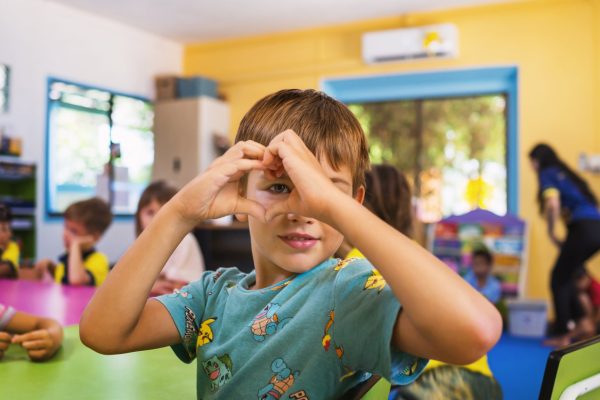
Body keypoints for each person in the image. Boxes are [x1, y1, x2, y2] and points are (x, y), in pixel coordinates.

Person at [80, 89, 501, 398]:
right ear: (239, 191)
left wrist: (338, 210)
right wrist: (178, 213)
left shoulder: (345, 293)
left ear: (350, 202)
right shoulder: (212, 295)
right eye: (280, 186)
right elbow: (103, 333)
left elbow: (475, 331)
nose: (303, 210)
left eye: (320, 191)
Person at [529, 143, 600, 343]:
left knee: (558, 277)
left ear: (538, 160)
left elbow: (552, 203)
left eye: (532, 162)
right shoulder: (568, 174)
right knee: (568, 275)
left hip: (583, 228)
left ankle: (563, 333)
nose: (532, 167)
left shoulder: (547, 173)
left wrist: (551, 232)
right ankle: (583, 324)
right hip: (595, 228)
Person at [136, 180, 205, 295]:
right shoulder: (142, 245)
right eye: (150, 212)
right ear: (138, 217)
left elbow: (176, 286)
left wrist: (148, 285)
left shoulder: (184, 240)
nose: (157, 218)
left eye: (164, 212)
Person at [34, 197, 112, 286]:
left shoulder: (99, 260)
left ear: (94, 237)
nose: (65, 234)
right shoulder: (68, 258)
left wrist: (76, 245)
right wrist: (52, 267)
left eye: (73, 231)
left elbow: (76, 280)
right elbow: (65, 280)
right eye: (66, 227)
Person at [0, 204, 20, 278]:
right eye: (4, 229)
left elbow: (7, 268)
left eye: (10, 229)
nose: (10, 233)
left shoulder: (12, 247)